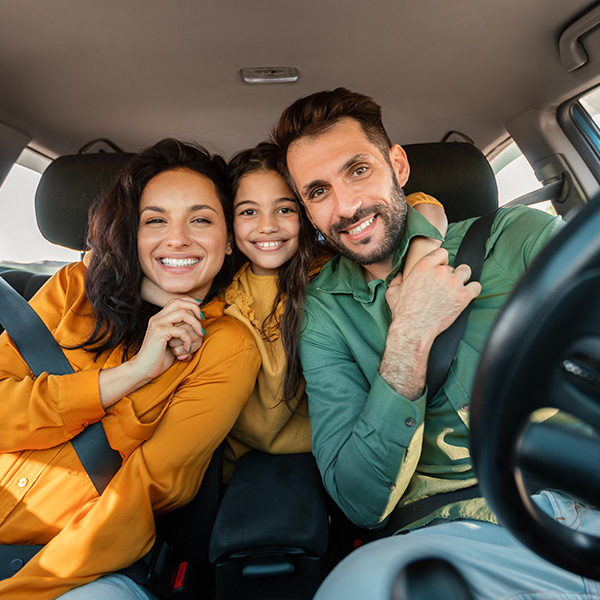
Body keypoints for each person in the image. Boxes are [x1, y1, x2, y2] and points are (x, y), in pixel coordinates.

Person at [270, 88, 600, 599]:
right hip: (460, 543)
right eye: (318, 191)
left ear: (397, 166)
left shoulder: (519, 235)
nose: (347, 206)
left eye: (358, 171)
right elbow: (359, 501)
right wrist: (410, 337)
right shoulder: (325, 312)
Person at [0, 139, 260, 600]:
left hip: (75, 572)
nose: (177, 238)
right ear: (130, 233)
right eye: (155, 220)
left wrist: (21, 590)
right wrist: (131, 374)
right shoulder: (70, 289)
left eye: (200, 220)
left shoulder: (226, 346)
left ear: (229, 242)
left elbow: (145, 493)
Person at [142, 141, 448, 482]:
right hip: (237, 471)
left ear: (306, 215)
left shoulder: (334, 273)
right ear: (228, 229)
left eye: (284, 210)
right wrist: (153, 292)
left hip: (336, 457)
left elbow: (422, 204)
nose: (267, 226)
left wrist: (422, 254)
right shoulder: (222, 292)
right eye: (248, 212)